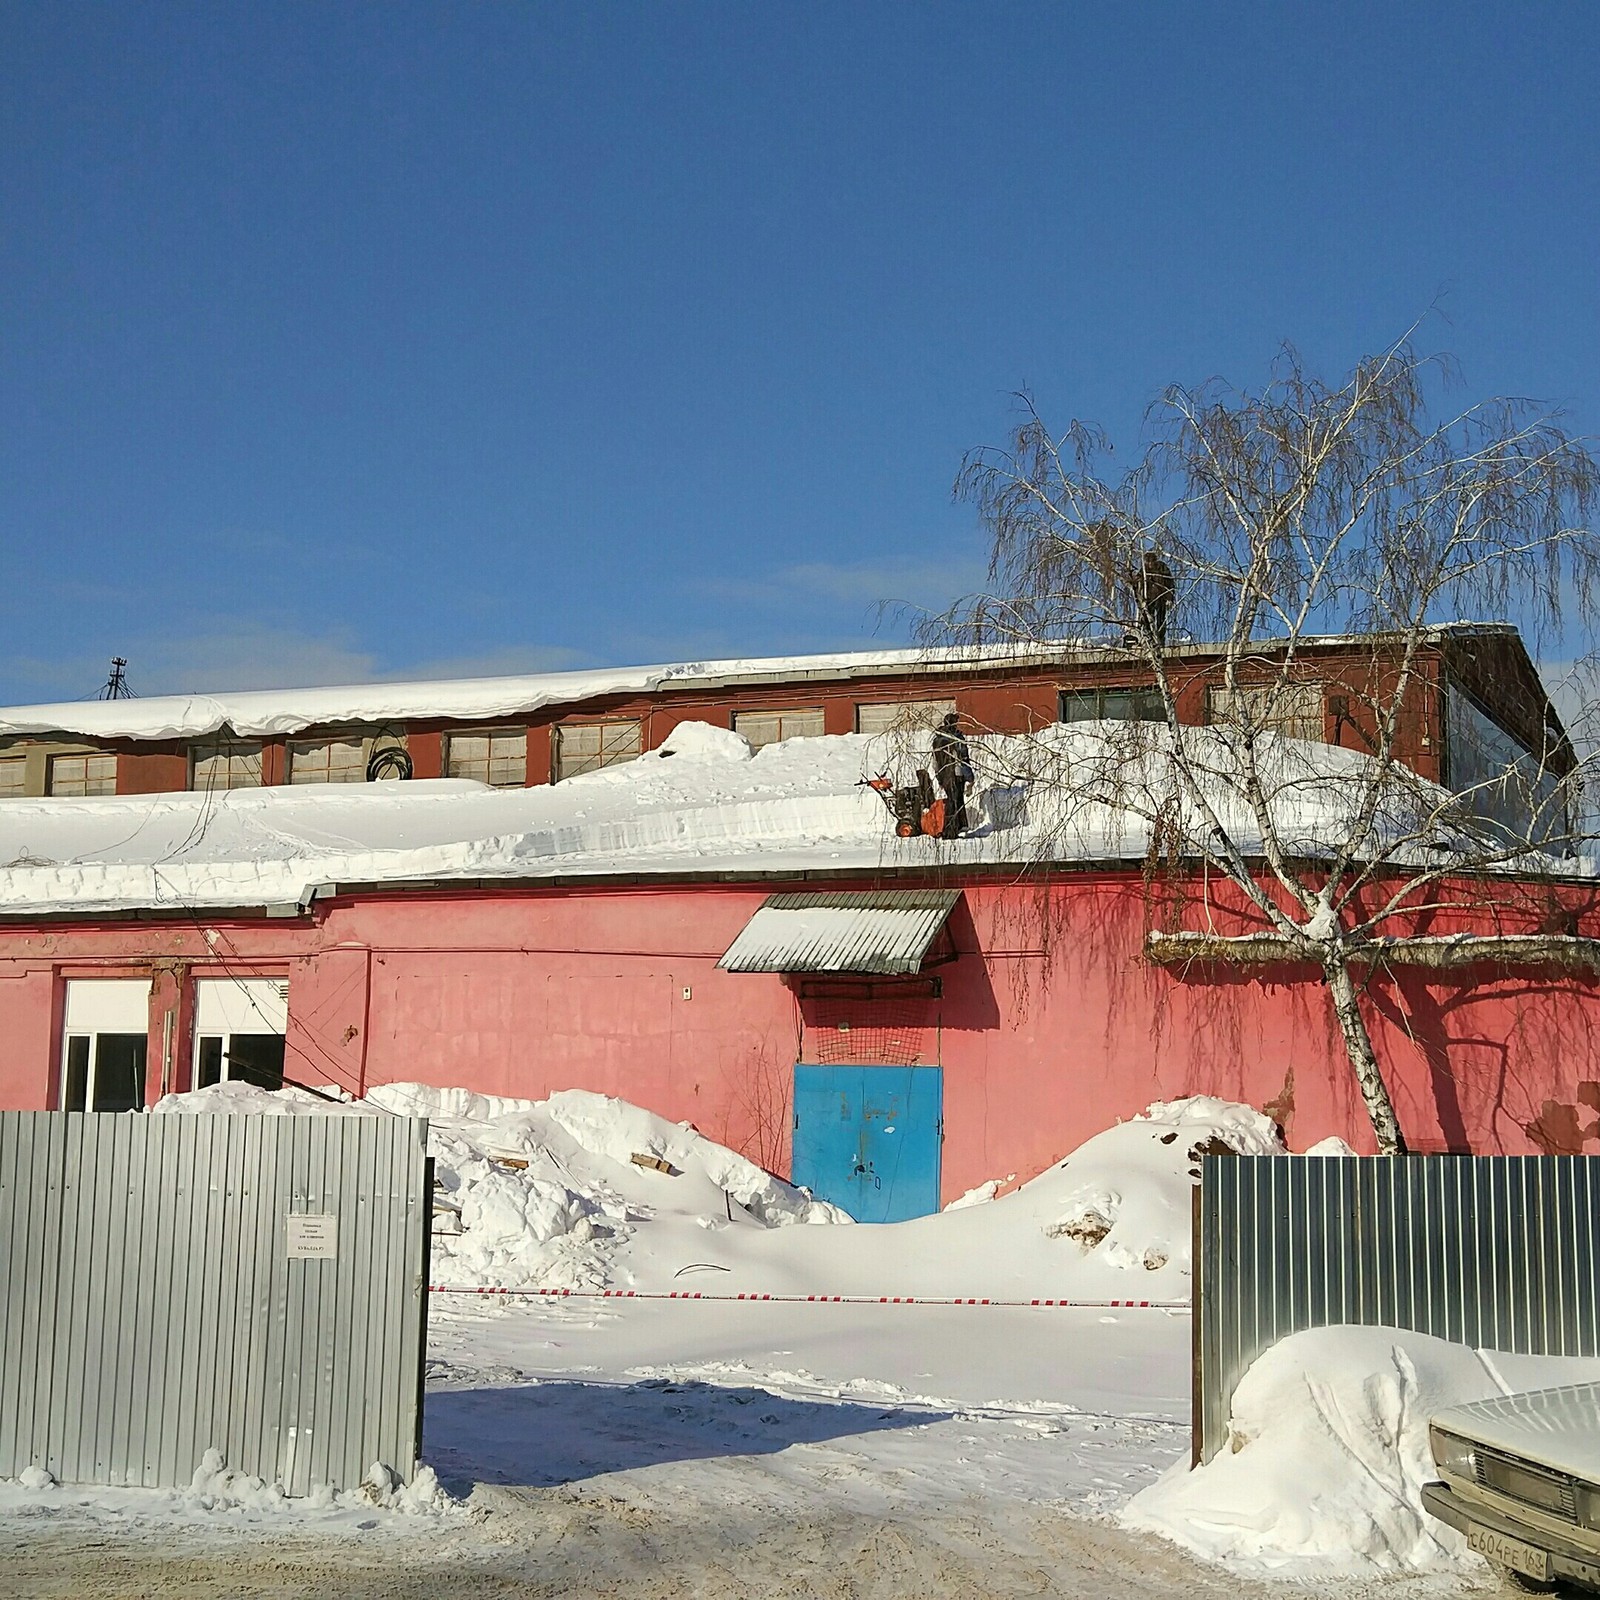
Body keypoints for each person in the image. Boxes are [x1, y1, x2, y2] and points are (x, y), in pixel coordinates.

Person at [931, 712, 972, 839]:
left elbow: (935, 762)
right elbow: (963, 759)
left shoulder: (937, 740)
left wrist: (939, 778)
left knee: (953, 799)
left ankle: (960, 826)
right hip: (956, 773)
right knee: (955, 801)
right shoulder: (957, 738)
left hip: (944, 775)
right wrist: (970, 777)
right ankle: (951, 830)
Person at [1130, 549, 1175, 645]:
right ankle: (1149, 639)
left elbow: (1169, 583)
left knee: (1160, 621)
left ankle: (1160, 640)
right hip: (1148, 599)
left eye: (1151, 561)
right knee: (1147, 620)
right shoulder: (1144, 570)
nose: (1150, 563)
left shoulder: (1162, 567)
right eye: (1148, 561)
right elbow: (1137, 583)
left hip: (1161, 597)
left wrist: (1169, 598)